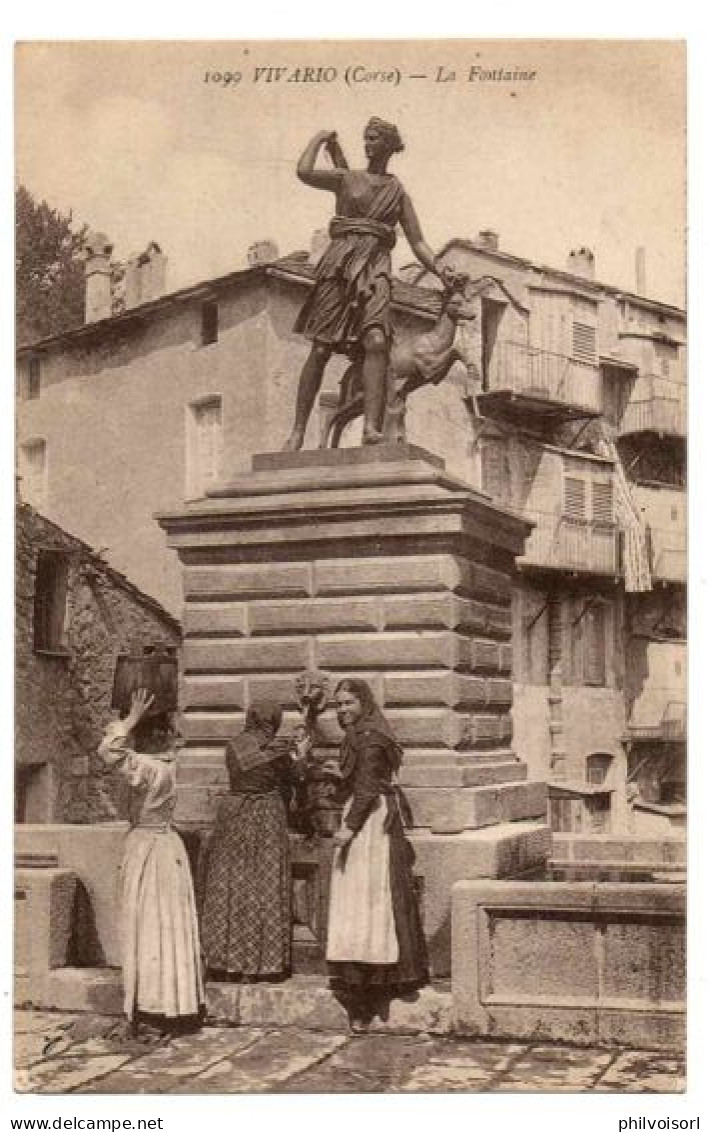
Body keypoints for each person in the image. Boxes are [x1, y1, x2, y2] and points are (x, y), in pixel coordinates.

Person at [284, 117, 450, 451]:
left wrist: (441, 270)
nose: (367, 144)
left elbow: (418, 243)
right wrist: (319, 136)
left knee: (376, 341)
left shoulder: (398, 193)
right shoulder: (347, 178)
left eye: (374, 139)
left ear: (389, 145)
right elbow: (303, 172)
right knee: (321, 347)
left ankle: (371, 429)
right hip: (340, 264)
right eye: (365, 138)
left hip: (376, 265)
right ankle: (298, 432)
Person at [97, 689, 204, 1038]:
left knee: (149, 927)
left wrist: (129, 719)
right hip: (164, 846)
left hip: (148, 849)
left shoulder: (150, 769)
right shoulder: (164, 767)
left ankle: (153, 1007)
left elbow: (109, 752)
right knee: (165, 926)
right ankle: (170, 1004)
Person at [326, 678, 428, 1032]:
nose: (342, 711)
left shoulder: (370, 737)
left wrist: (348, 829)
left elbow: (368, 785)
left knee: (368, 902)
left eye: (348, 703)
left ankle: (366, 992)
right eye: (338, 705)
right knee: (368, 903)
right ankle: (372, 984)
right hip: (367, 815)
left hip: (370, 825)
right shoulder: (362, 733)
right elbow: (359, 781)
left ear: (363, 703)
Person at [200, 699, 307, 981]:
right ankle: (262, 964)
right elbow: (295, 781)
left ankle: (225, 961)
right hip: (265, 817)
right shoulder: (278, 752)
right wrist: (301, 757)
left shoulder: (233, 745)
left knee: (232, 884)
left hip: (233, 815)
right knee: (264, 885)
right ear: (274, 721)